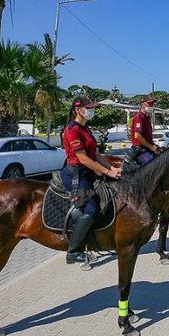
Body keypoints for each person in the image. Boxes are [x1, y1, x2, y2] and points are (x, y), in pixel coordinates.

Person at [61, 96, 121, 264]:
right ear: (78, 110)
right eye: (89, 108)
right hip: (76, 174)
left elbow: (95, 154)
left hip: (88, 171)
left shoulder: (85, 128)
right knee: (90, 211)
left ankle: (101, 241)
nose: (92, 111)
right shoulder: (72, 129)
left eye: (93, 108)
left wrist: (111, 169)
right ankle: (72, 251)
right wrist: (106, 172)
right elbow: (83, 159)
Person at [130, 95, 160, 165]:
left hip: (147, 149)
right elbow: (137, 135)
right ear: (142, 104)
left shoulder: (146, 118)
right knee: (154, 166)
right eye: (149, 104)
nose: (152, 106)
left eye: (153, 104)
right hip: (140, 150)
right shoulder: (139, 117)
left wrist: (154, 146)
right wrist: (151, 147)